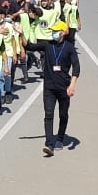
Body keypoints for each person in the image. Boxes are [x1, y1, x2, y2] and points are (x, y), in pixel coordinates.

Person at [42, 21, 80, 157]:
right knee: (48, 114)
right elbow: (30, 45)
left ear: (63, 32)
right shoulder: (48, 45)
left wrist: (72, 85)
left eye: (56, 30)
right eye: (52, 30)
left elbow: (76, 67)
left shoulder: (69, 48)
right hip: (49, 87)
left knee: (63, 114)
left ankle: (60, 138)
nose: (53, 33)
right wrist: (20, 34)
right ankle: (49, 143)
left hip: (64, 87)